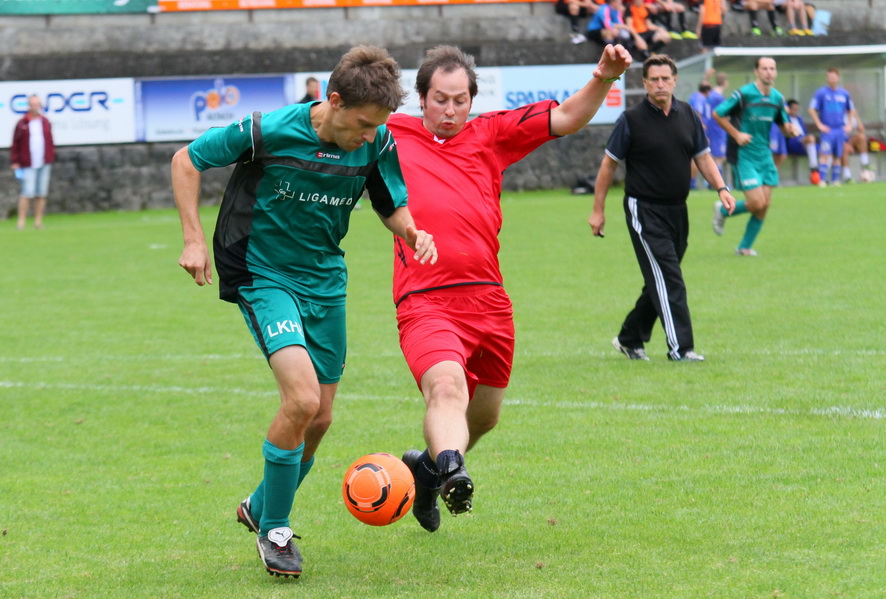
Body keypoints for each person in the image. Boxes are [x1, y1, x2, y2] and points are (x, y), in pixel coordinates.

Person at [170, 45, 437, 578]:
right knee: (302, 399)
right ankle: (275, 531)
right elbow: (187, 160)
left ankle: (259, 505)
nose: (370, 136)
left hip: (325, 281)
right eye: (362, 124)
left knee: (321, 418)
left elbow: (391, 204)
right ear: (333, 101)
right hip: (262, 273)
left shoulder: (379, 141)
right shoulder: (267, 130)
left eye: (377, 126)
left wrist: (412, 230)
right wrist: (193, 239)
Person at [386, 43, 631, 532]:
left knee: (484, 417)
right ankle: (452, 468)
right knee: (446, 388)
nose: (450, 110)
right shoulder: (388, 135)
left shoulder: (491, 133)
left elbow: (566, 117)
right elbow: (328, 123)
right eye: (440, 99)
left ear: (472, 100)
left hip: (490, 300)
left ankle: (428, 472)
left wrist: (604, 77)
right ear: (421, 98)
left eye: (459, 100)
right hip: (425, 299)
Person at [589, 54, 735, 363]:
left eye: (665, 78)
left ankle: (629, 337)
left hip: (677, 210)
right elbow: (608, 166)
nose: (660, 84)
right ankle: (681, 349)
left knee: (663, 276)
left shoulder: (688, 115)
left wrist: (721, 188)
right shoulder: (631, 120)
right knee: (669, 278)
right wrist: (598, 210)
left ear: (675, 81)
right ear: (644, 83)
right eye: (653, 79)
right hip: (644, 210)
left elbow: (703, 157)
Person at [712, 56, 798, 256]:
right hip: (744, 155)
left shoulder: (777, 98)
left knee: (764, 205)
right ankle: (722, 210)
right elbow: (718, 114)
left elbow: (784, 125)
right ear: (757, 72)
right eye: (764, 68)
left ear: (775, 72)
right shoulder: (744, 94)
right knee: (757, 203)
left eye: (772, 68)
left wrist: (790, 130)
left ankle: (744, 247)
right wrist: (737, 134)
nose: (769, 72)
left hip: (764, 155)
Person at [10, 94, 55, 230]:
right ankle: (21, 221)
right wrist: (15, 161)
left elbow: (50, 140)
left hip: (44, 162)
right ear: (29, 106)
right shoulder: (22, 123)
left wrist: (50, 156)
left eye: (37, 104)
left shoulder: (45, 122)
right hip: (28, 163)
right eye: (32, 104)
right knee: (27, 192)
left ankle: (38, 221)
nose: (35, 107)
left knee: (41, 193)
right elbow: (15, 143)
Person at [808, 67, 859, 187]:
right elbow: (811, 109)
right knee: (825, 154)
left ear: (838, 78)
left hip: (840, 129)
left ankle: (835, 180)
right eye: (829, 77)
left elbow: (851, 110)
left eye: (834, 77)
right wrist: (819, 124)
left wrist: (849, 124)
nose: (831, 79)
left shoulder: (844, 93)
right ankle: (822, 180)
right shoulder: (821, 93)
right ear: (827, 78)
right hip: (828, 130)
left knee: (838, 155)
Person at [769, 98, 819, 183]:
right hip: (792, 142)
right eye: (793, 109)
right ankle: (813, 168)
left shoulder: (799, 118)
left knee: (824, 150)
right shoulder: (785, 117)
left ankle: (820, 175)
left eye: (797, 109)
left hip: (802, 142)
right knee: (775, 154)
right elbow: (785, 129)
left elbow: (804, 132)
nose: (795, 111)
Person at [706, 70, 729, 178]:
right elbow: (724, 114)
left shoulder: (711, 94)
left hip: (711, 128)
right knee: (719, 157)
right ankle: (714, 181)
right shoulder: (719, 98)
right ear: (725, 82)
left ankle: (713, 180)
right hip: (718, 129)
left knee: (715, 156)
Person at [840, 114, 874, 183]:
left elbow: (861, 130)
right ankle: (847, 176)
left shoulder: (850, 115)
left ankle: (864, 163)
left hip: (849, 140)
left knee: (862, 137)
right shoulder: (837, 114)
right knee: (845, 147)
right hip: (839, 141)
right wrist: (846, 144)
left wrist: (856, 115)